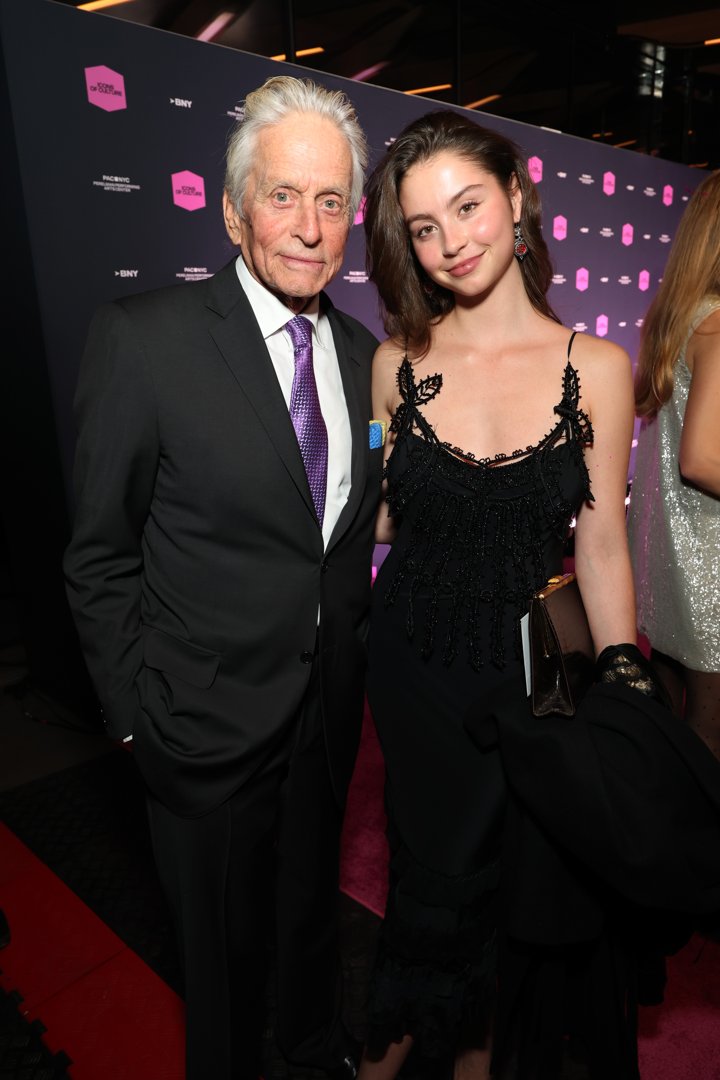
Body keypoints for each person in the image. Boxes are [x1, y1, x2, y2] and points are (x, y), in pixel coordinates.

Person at [64, 75, 382, 1080]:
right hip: (197, 730)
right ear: (236, 209)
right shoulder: (144, 339)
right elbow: (99, 551)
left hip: (325, 723)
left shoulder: (365, 353)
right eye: (283, 196)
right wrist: (132, 716)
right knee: (221, 977)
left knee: (306, 932)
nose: (308, 224)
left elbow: (336, 539)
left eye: (330, 201)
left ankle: (314, 1047)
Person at [359, 110, 643, 1079]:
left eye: (467, 205)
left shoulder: (595, 369)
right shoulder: (396, 366)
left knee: (510, 894)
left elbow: (601, 544)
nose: (451, 243)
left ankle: (470, 1055)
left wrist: (623, 680)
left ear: (517, 194)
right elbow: (380, 520)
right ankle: (407, 1047)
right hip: (413, 669)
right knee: (428, 881)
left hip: (528, 684)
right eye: (424, 227)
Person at [627, 169, 720, 760]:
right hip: (711, 567)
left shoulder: (676, 315)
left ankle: (655, 840)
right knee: (710, 735)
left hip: (667, 562)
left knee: (664, 725)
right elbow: (703, 458)